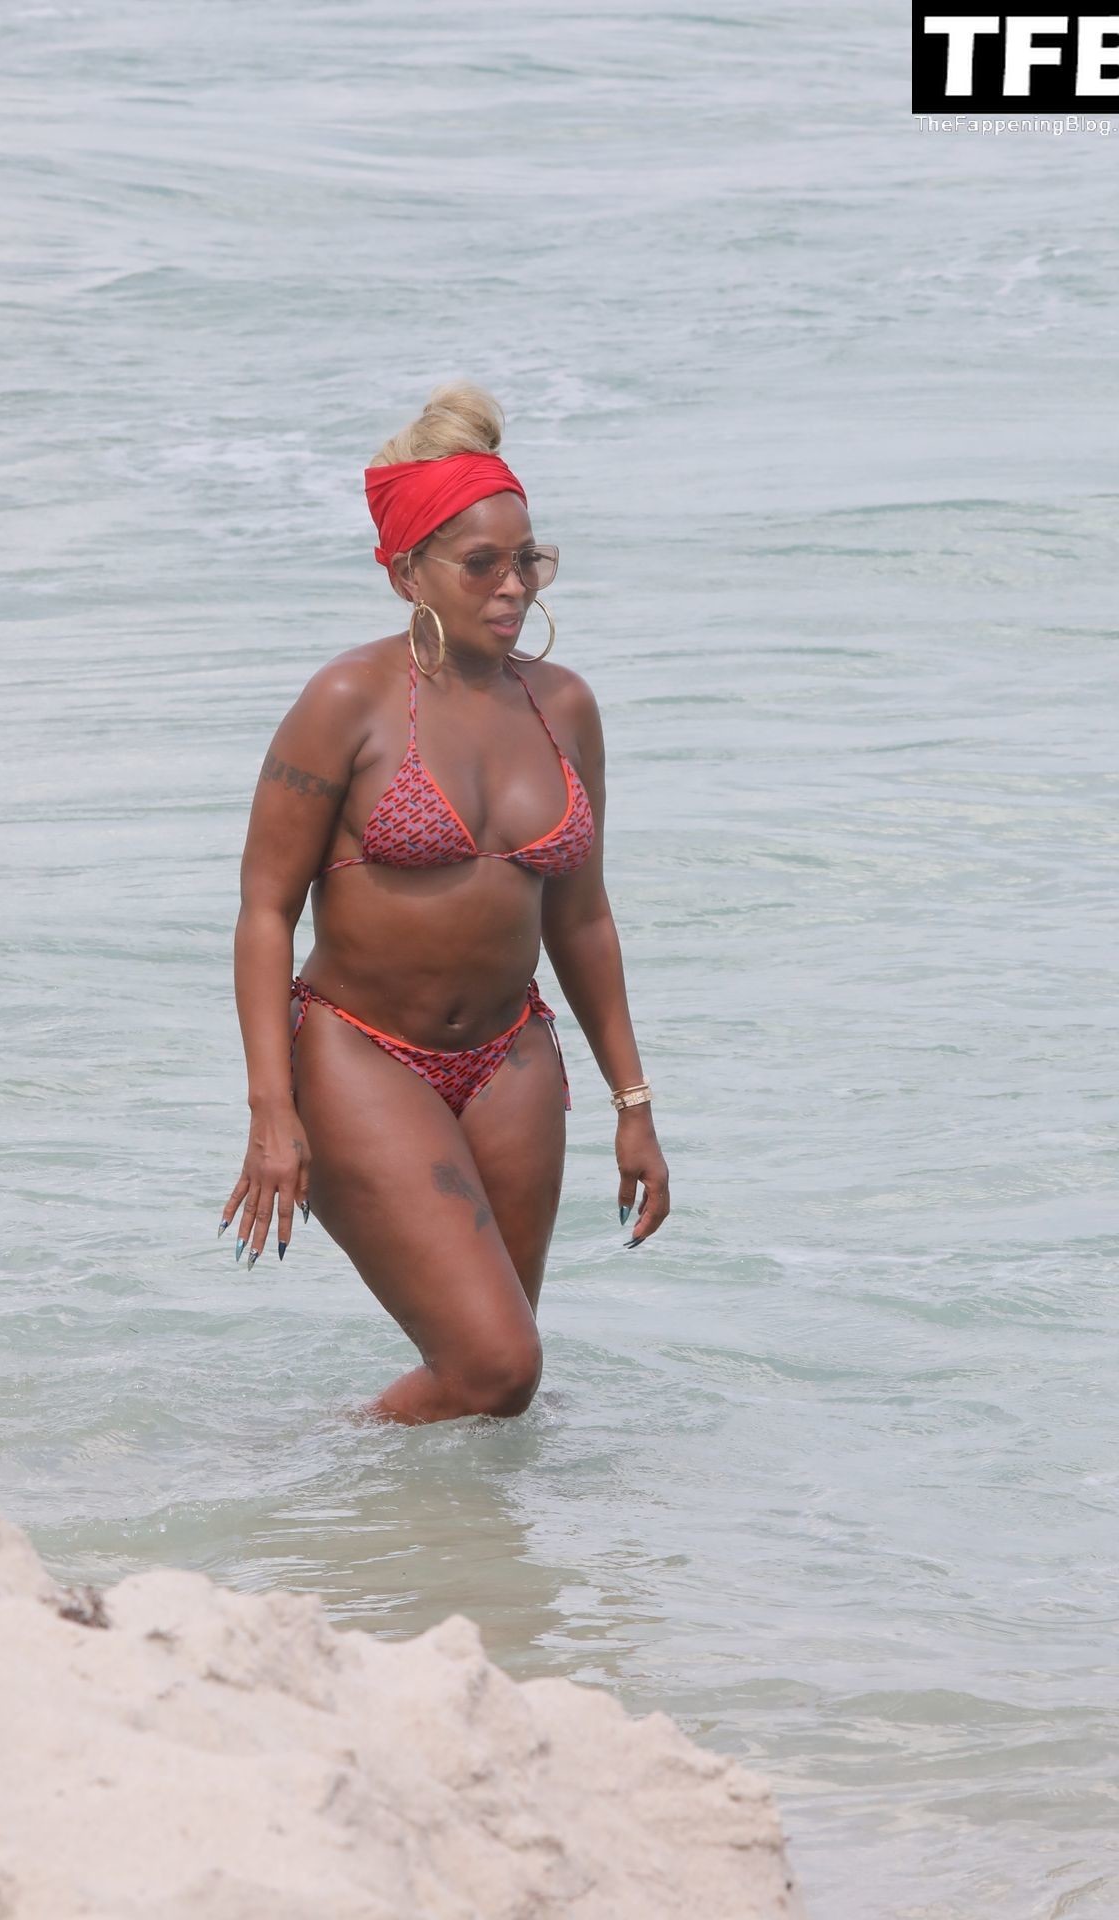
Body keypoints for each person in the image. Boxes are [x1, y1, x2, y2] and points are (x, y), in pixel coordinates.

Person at [217, 382, 670, 1426]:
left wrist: (634, 1105)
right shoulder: (347, 702)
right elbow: (263, 910)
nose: (512, 585)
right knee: (495, 1363)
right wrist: (271, 1112)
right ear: (405, 572)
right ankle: (309, 1473)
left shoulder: (563, 706)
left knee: (494, 1392)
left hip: (510, 1059)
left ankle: (423, 1533)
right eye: (481, 564)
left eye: (528, 560)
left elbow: (582, 920)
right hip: (359, 1053)